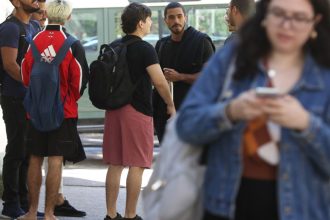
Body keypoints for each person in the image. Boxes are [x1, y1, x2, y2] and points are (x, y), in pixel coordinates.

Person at [176, 0, 330, 219]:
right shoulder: (231, 59)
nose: (287, 25)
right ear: (265, 15)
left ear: (316, 21)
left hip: (304, 208)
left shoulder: (324, 73)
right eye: (279, 13)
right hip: (226, 204)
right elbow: (187, 125)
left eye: (299, 17)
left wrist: (306, 123)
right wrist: (230, 111)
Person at [102, 3, 175, 220]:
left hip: (113, 110)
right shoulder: (145, 49)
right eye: (150, 19)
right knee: (138, 164)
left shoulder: (115, 45)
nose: (152, 23)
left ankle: (110, 214)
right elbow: (160, 82)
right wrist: (170, 104)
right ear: (141, 22)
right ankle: (130, 215)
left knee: (115, 163)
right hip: (137, 111)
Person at [19, 0, 89, 219]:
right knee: (56, 159)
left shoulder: (35, 40)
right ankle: (49, 213)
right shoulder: (72, 43)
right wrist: (67, 100)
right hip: (63, 112)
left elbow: (25, 75)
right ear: (68, 17)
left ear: (46, 13)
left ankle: (31, 212)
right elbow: (79, 81)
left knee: (35, 158)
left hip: (35, 111)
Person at [0, 0, 40, 218]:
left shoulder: (34, 27)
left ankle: (26, 205)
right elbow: (9, 64)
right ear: (15, 2)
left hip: (33, 98)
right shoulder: (10, 28)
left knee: (29, 152)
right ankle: (10, 204)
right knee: (17, 150)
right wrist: (32, 84)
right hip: (14, 97)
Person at [153, 2, 215, 143]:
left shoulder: (201, 41)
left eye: (179, 16)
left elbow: (209, 78)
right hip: (165, 115)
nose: (176, 21)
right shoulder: (161, 45)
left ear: (185, 18)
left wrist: (179, 77)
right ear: (165, 21)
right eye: (172, 17)